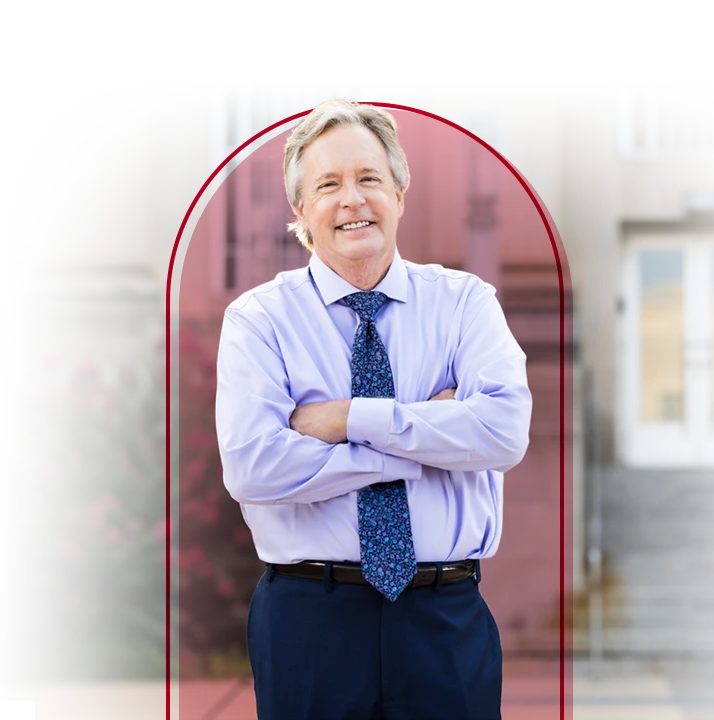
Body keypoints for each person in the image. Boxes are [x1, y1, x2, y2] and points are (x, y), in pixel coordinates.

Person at [215, 96, 532, 720]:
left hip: (443, 617)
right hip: (311, 620)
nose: (352, 199)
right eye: (329, 184)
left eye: (369, 179)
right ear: (301, 210)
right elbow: (254, 468)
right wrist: (426, 437)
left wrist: (345, 419)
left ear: (400, 194)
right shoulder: (259, 320)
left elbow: (503, 433)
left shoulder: (465, 303)